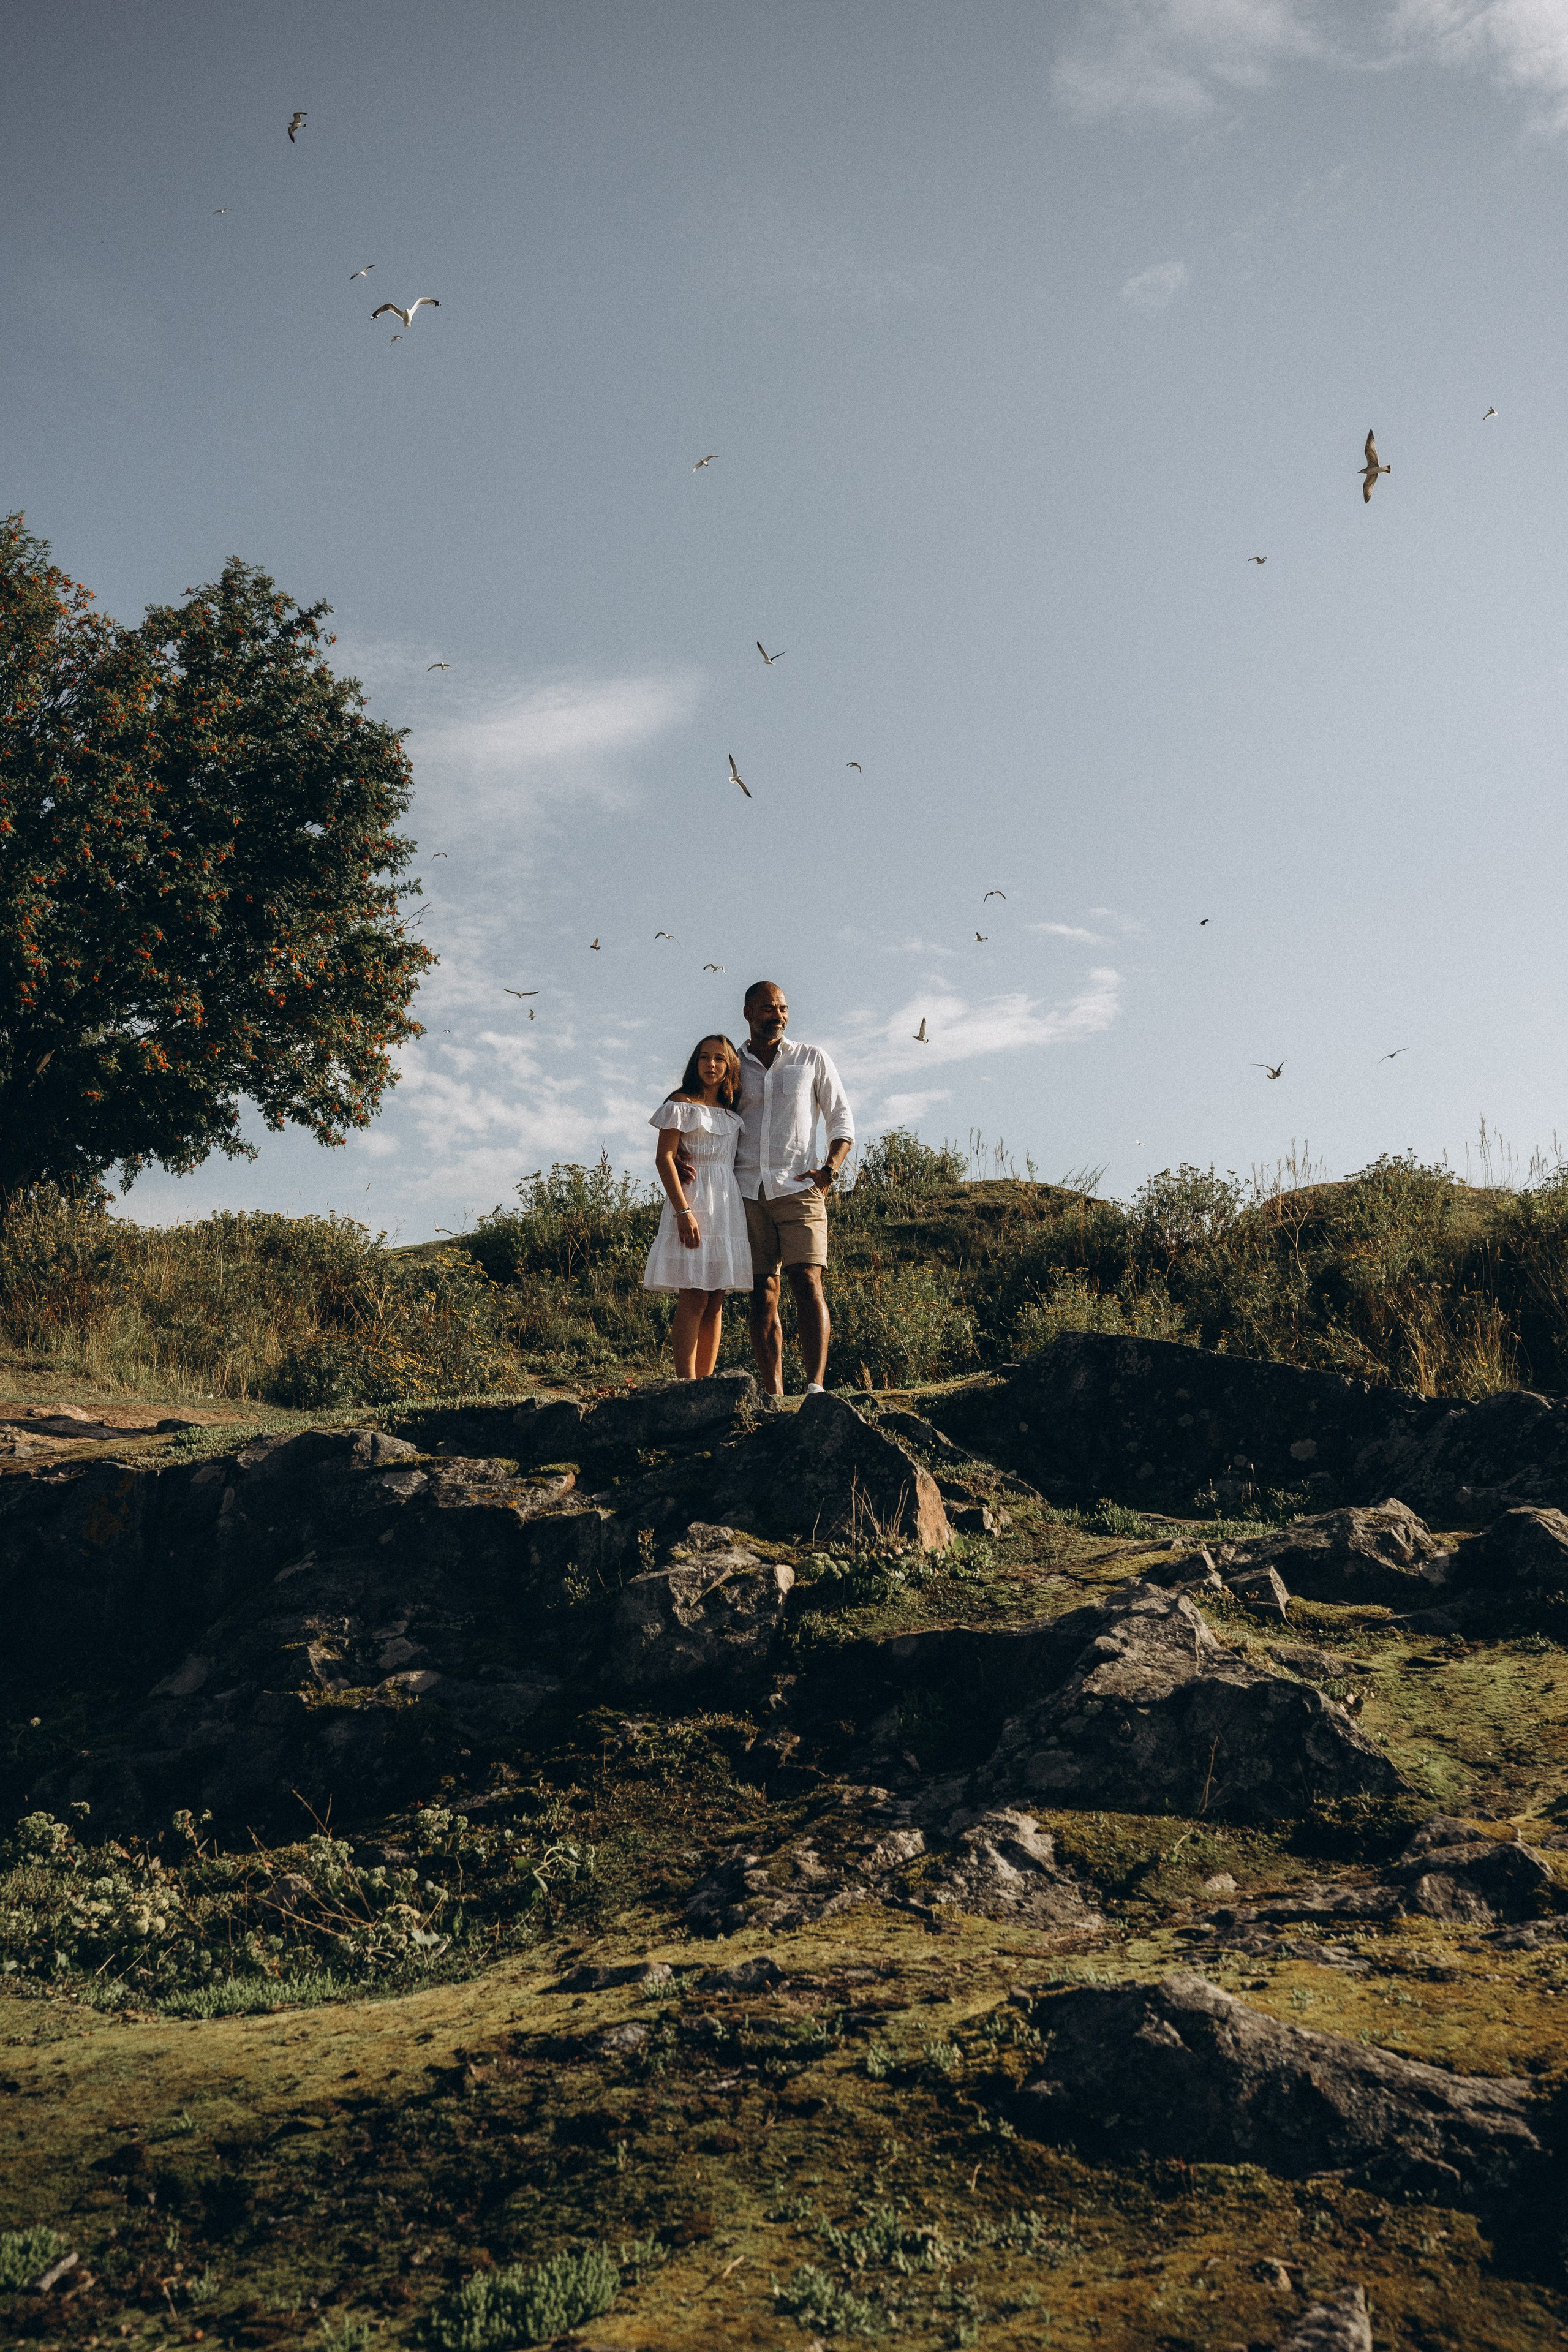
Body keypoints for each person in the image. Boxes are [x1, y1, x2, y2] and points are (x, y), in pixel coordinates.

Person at [731, 980, 854, 1396]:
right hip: (747, 1189)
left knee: (807, 1280)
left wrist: (829, 1171)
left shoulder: (812, 1058)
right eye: (768, 1009)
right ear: (748, 1012)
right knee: (763, 1292)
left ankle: (815, 1387)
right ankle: (775, 1393)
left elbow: (842, 1122)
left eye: (783, 1008)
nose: (778, 1016)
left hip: (801, 1187)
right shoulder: (732, 1064)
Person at [642, 1034, 752, 1380]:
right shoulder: (680, 1103)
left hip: (726, 1206)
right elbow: (664, 1159)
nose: (711, 1065)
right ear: (695, 1062)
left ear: (730, 1066)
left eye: (720, 1058)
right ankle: (685, 1383)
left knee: (716, 1299)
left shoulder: (732, 1111)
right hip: (692, 1204)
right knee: (693, 1296)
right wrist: (682, 1211)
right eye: (704, 1057)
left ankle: (707, 1385)